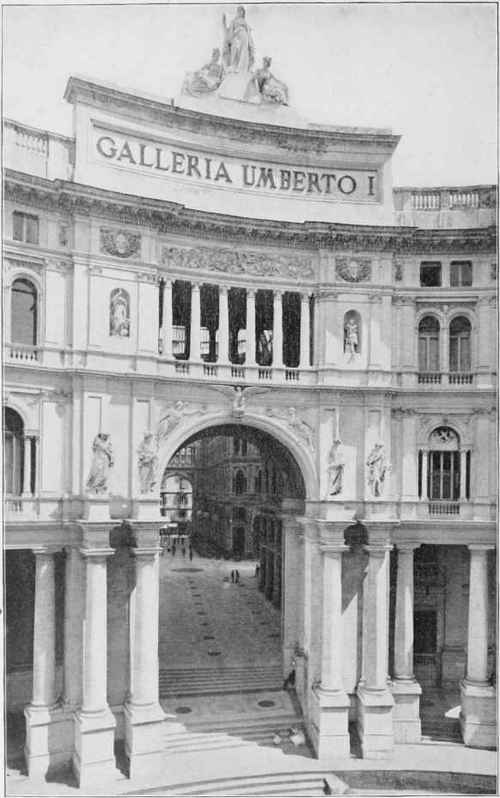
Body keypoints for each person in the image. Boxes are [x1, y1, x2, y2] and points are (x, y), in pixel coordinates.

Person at [222, 6, 255, 74]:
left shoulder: (245, 22)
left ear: (243, 13)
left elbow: (248, 31)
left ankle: (241, 67)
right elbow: (229, 32)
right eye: (239, 11)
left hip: (244, 37)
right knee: (235, 50)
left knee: (243, 51)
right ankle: (235, 66)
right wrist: (224, 23)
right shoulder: (234, 21)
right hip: (236, 37)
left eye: (241, 11)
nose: (240, 12)